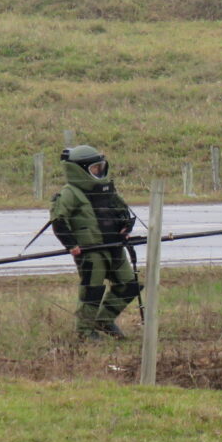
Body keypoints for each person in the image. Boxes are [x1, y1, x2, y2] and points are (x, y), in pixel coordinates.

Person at [49, 144, 141, 339]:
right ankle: (84, 332)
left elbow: (122, 212)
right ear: (79, 170)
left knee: (129, 285)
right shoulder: (70, 193)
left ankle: (104, 320)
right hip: (90, 252)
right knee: (92, 291)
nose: (99, 172)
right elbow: (58, 221)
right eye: (94, 169)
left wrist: (126, 227)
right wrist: (71, 245)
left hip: (115, 247)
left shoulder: (107, 190)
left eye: (100, 167)